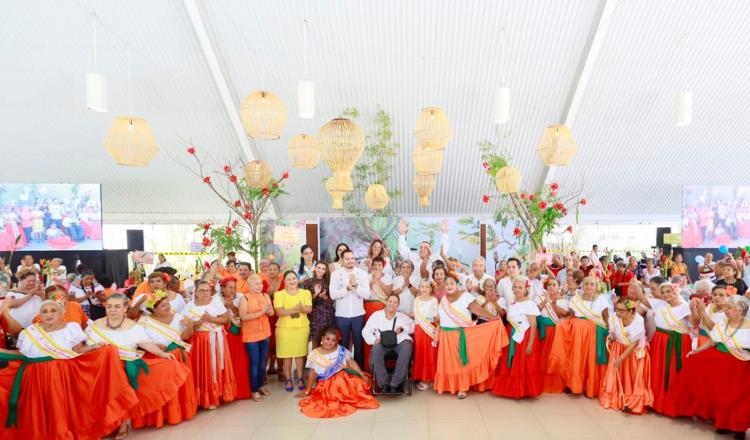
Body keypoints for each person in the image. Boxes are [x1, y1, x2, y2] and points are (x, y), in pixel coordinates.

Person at [0, 300, 137, 440]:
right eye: (45, 311)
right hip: (35, 377)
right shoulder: (29, 332)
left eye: (53, 310)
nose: (49, 314)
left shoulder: (71, 328)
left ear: (61, 313)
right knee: (42, 411)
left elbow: (78, 349)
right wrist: (2, 351)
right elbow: (22, 354)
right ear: (39, 315)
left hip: (63, 375)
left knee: (63, 409)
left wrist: (95, 347)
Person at [86, 293, 190, 439]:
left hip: (124, 366)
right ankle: (106, 424)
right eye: (109, 306)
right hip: (102, 367)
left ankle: (121, 424)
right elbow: (88, 346)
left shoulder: (133, 326)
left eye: (117, 306)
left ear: (125, 308)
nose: (113, 310)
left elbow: (145, 343)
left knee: (120, 393)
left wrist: (162, 354)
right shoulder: (96, 324)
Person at [663, 295, 750, 436]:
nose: (725, 310)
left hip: (739, 367)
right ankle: (723, 423)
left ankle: (739, 428)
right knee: (721, 396)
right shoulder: (723, 322)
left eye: (729, 307)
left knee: (737, 399)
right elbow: (713, 341)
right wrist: (696, 351)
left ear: (740, 310)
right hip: (719, 364)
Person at [434, 274, 508, 399]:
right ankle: (452, 386)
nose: (449, 286)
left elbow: (476, 309)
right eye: (447, 284)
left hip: (461, 334)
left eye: (452, 283)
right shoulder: (443, 300)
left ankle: (463, 388)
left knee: (461, 362)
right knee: (450, 364)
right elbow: (441, 319)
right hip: (446, 336)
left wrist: (491, 318)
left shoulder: (465, 296)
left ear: (457, 285)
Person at [134, 290, 198, 429]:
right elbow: (139, 342)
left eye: (167, 304)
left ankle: (179, 412)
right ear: (154, 309)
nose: (167, 307)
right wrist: (154, 346)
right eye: (163, 306)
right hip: (157, 359)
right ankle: (162, 415)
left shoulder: (178, 317)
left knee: (177, 388)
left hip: (178, 356)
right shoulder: (144, 322)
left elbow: (186, 336)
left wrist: (189, 326)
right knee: (162, 389)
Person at [633, 281, 692, 413]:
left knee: (674, 372)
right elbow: (642, 299)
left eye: (668, 291)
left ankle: (674, 405)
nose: (665, 294)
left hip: (677, 342)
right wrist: (636, 287)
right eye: (663, 292)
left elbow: (695, 322)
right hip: (660, 340)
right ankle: (657, 402)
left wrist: (697, 309)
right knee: (658, 369)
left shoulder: (685, 306)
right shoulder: (659, 304)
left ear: (676, 291)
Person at [547, 276, 611, 398]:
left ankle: (589, 387)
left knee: (590, 360)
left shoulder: (602, 300)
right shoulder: (576, 299)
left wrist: (609, 332)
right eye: (586, 284)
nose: (589, 286)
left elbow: (606, 318)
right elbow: (570, 316)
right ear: (582, 285)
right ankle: (574, 385)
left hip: (593, 334)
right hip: (577, 333)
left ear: (596, 286)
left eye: (592, 284)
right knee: (576, 359)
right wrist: (561, 323)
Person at [297, 326, 378, 418]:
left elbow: (350, 362)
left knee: (360, 383)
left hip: (345, 377)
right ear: (322, 338)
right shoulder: (314, 354)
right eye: (327, 339)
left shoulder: (340, 350)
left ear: (336, 341)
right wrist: (308, 390)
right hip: (327, 384)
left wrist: (361, 373)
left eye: (333, 340)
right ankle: (346, 396)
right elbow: (312, 373)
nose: (330, 342)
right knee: (340, 386)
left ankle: (349, 394)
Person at [184, 280, 237, 409]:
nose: (205, 293)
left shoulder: (216, 302)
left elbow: (225, 319)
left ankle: (218, 395)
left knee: (217, 366)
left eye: (207, 290)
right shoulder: (188, 307)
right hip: (199, 341)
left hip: (217, 338)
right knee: (204, 368)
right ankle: (205, 398)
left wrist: (211, 319)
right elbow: (185, 328)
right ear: (195, 292)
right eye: (201, 290)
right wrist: (195, 325)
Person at [599, 297, 653, 414]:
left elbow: (634, 343)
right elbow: (613, 330)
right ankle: (616, 398)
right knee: (617, 374)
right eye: (617, 309)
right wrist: (611, 335)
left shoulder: (638, 321)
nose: (618, 313)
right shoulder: (615, 317)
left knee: (632, 376)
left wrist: (621, 358)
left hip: (633, 353)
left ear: (631, 311)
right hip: (619, 348)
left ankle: (631, 401)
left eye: (622, 311)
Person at [492, 276, 542, 399]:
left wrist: (530, 344)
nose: (517, 289)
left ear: (526, 289)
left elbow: (533, 325)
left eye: (520, 287)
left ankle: (523, 390)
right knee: (512, 361)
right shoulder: (513, 303)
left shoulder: (529, 304)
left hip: (524, 336)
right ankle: (511, 388)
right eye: (515, 287)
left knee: (523, 362)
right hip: (511, 334)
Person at [362, 293, 414, 392]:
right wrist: (374, 340)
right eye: (390, 301)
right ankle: (383, 384)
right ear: (386, 302)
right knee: (375, 349)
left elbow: (414, 327)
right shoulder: (376, 315)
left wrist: (404, 328)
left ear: (398, 305)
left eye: (395, 303)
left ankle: (395, 383)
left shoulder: (402, 316)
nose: (392, 304)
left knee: (407, 347)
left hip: (399, 342)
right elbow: (365, 331)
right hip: (382, 343)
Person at [274, 270, 313, 392]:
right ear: (284, 281)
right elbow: (279, 312)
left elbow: (309, 309)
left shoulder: (305, 293)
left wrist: (299, 309)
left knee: (300, 354)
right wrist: (296, 309)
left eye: (294, 278)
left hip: (302, 328)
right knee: (287, 355)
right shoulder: (279, 294)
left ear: (297, 280)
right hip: (284, 329)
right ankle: (288, 379)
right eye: (289, 279)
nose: (292, 281)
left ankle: (300, 378)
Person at [330, 249, 370, 366]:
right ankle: (343, 369)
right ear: (342, 260)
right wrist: (347, 288)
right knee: (343, 344)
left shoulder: (362, 273)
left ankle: (359, 370)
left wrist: (355, 287)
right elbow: (333, 295)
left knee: (359, 344)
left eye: (352, 258)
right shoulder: (335, 274)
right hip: (342, 315)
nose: (350, 261)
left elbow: (366, 294)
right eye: (347, 259)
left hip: (358, 314)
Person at [238, 274, 274, 402]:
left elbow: (272, 312)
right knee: (255, 363)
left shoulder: (266, 296)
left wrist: (269, 311)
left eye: (260, 283)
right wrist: (261, 312)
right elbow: (243, 316)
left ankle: (260, 385)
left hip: (265, 332)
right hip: (251, 334)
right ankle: (253, 390)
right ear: (249, 285)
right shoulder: (244, 299)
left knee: (263, 362)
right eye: (256, 284)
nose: (259, 286)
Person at [534, 277, 570, 393]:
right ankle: (540, 382)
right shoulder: (539, 298)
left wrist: (554, 305)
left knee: (553, 355)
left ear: (558, 287)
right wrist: (544, 302)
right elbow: (534, 311)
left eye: (554, 285)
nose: (551, 287)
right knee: (542, 355)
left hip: (555, 331)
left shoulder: (563, 300)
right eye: (549, 284)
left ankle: (554, 384)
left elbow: (564, 314)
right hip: (542, 330)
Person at [220, 276, 251, 400]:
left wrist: (231, 306)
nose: (232, 290)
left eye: (234, 287)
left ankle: (241, 391)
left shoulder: (240, 298)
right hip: (223, 334)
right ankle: (225, 392)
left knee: (239, 360)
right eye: (229, 287)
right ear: (222, 289)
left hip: (237, 333)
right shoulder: (216, 300)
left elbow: (242, 315)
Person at [413, 279, 439, 391]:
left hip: (430, 329)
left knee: (430, 353)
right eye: (422, 286)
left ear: (431, 289)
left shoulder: (434, 300)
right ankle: (422, 377)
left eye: (427, 287)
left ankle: (430, 378)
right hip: (419, 330)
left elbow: (436, 317)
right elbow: (415, 315)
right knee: (420, 353)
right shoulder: (417, 299)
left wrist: (429, 320)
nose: (424, 289)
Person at [303, 261, 335, 349]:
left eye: (323, 268)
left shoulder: (329, 282)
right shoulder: (307, 282)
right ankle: (315, 361)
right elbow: (307, 302)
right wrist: (316, 294)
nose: (321, 270)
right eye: (319, 268)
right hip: (314, 315)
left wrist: (325, 297)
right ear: (315, 268)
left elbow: (333, 300)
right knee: (315, 340)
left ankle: (326, 361)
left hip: (328, 314)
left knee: (328, 340)